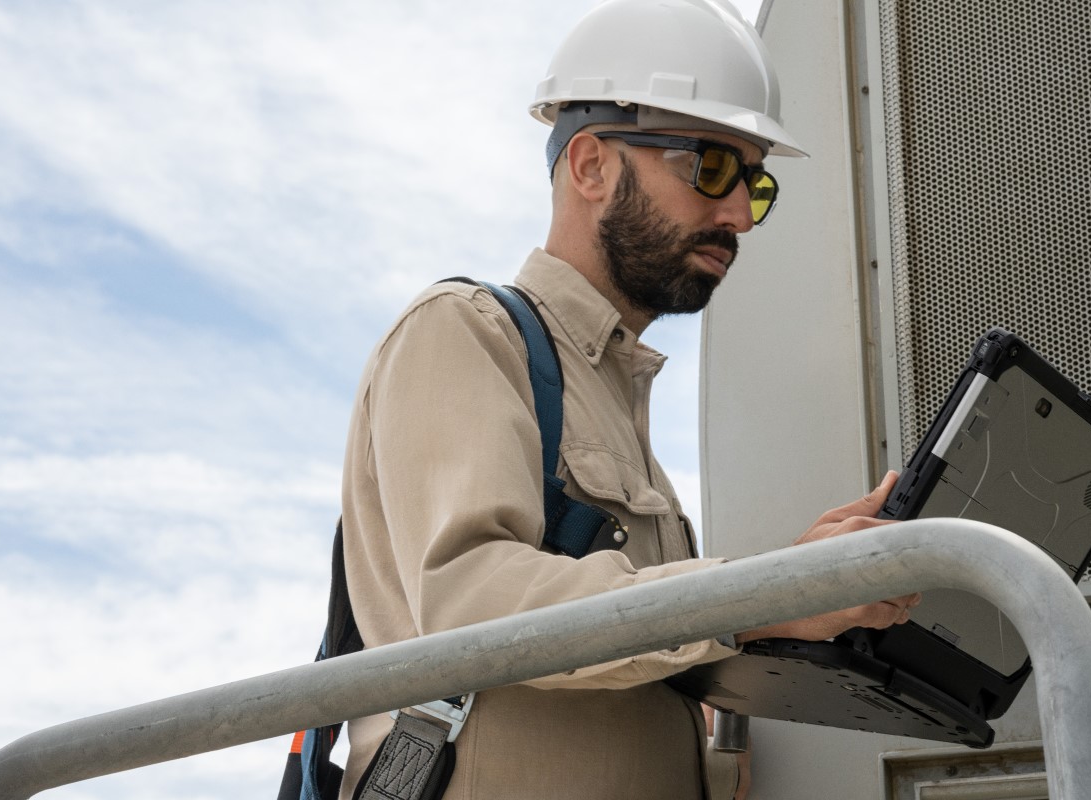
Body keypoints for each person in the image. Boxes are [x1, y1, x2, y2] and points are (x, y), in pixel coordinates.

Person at [336, 1, 920, 797]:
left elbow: (632, 656)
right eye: (712, 167)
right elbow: (472, 602)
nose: (740, 214)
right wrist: (768, 593)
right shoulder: (463, 333)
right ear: (590, 166)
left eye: (755, 182)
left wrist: (806, 597)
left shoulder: (617, 405)